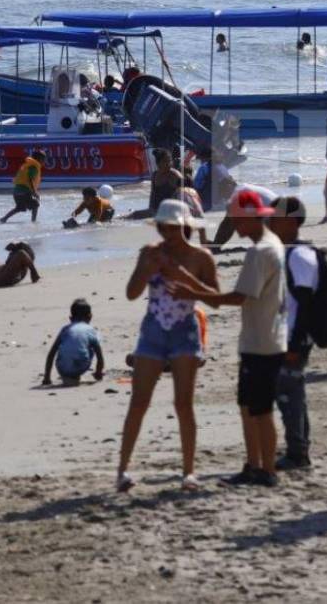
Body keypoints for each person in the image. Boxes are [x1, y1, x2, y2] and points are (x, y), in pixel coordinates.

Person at [171, 190, 286, 488]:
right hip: (265, 337)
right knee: (250, 407)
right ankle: (255, 466)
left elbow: (237, 298)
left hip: (262, 342)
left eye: (236, 220)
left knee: (258, 410)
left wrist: (193, 292)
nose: (234, 226)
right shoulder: (270, 245)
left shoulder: (260, 251)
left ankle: (266, 469)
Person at [116, 200, 217, 492]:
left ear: (185, 226)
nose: (167, 233)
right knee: (139, 402)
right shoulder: (150, 253)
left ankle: (189, 472)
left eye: (173, 227)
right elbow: (131, 294)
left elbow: (214, 298)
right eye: (163, 227)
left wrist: (184, 279)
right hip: (153, 331)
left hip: (185, 330)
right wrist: (146, 270)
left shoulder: (201, 257)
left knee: (183, 403)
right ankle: (122, 470)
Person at [267, 196, 317, 470]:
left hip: (295, 337)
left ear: (289, 221)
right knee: (288, 391)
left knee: (290, 392)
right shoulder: (286, 251)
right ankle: (297, 448)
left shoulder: (299, 256)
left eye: (274, 217)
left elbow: (306, 302)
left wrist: (296, 342)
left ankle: (298, 452)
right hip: (286, 334)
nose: (269, 222)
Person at [42, 299, 105, 386]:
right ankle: (76, 373)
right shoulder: (90, 330)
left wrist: (47, 378)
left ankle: (68, 374)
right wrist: (98, 372)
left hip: (61, 368)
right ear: (90, 317)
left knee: (69, 346)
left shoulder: (65, 329)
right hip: (81, 366)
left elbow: (51, 353)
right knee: (94, 342)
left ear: (70, 318)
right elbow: (99, 356)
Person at [0, 148, 44, 223]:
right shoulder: (33, 167)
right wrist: (34, 192)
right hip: (24, 192)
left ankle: (4, 218)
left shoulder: (27, 165)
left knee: (19, 208)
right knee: (35, 205)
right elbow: (30, 179)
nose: (44, 161)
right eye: (43, 159)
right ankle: (33, 222)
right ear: (39, 159)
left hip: (16, 191)